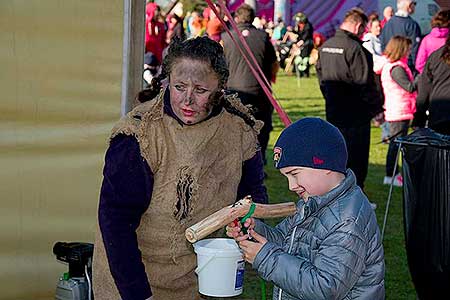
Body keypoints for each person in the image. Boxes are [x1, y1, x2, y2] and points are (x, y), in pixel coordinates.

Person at [92, 37, 268, 300]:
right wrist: (139, 295)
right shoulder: (139, 135)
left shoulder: (238, 130)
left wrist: (247, 220)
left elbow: (252, 195)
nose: (187, 100)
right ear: (167, 81)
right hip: (132, 280)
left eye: (200, 90)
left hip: (200, 279)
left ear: (220, 87)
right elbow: (115, 220)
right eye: (179, 86)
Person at [227, 117, 385, 300]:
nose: (291, 186)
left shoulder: (347, 222)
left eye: (294, 174)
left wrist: (266, 258)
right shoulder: (315, 201)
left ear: (325, 164)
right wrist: (254, 231)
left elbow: (325, 288)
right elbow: (287, 241)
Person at [316, 8, 383, 189]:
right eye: (363, 31)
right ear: (359, 26)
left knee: (336, 156)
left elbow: (321, 78)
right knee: (356, 159)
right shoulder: (357, 50)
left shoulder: (326, 46)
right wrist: (377, 110)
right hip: (356, 116)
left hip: (334, 111)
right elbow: (366, 85)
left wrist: (330, 98)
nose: (363, 35)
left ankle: (335, 193)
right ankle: (354, 197)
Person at [221, 4, 279, 165]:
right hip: (260, 92)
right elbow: (274, 64)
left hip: (233, 91)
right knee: (260, 129)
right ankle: (257, 163)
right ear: (253, 18)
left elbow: (219, 66)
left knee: (234, 130)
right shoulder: (263, 36)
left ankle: (235, 163)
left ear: (237, 18)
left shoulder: (226, 37)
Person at [381, 36, 417, 187]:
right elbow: (409, 86)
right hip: (398, 111)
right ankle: (390, 175)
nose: (409, 52)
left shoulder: (397, 66)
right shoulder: (396, 69)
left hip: (401, 109)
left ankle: (394, 174)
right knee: (396, 144)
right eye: (408, 49)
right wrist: (422, 77)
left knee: (397, 143)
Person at [412, 35, 450, 135]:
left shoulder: (436, 56)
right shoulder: (437, 56)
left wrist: (419, 117)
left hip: (439, 112)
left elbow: (424, 90)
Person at [380, 0, 421, 74]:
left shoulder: (387, 24)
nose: (415, 6)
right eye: (414, 3)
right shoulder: (412, 25)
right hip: (407, 68)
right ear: (409, 5)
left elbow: (382, 45)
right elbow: (415, 49)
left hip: (389, 67)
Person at [415, 10, 450, 74]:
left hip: (432, 77)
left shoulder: (427, 39)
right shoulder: (447, 39)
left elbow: (419, 64)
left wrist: (429, 76)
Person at [291, 12, 314, 77]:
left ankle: (305, 73)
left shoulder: (308, 26)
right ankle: (298, 72)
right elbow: (298, 34)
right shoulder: (299, 26)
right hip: (301, 43)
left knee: (304, 58)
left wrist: (299, 43)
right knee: (299, 57)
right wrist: (292, 30)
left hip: (307, 44)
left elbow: (305, 37)